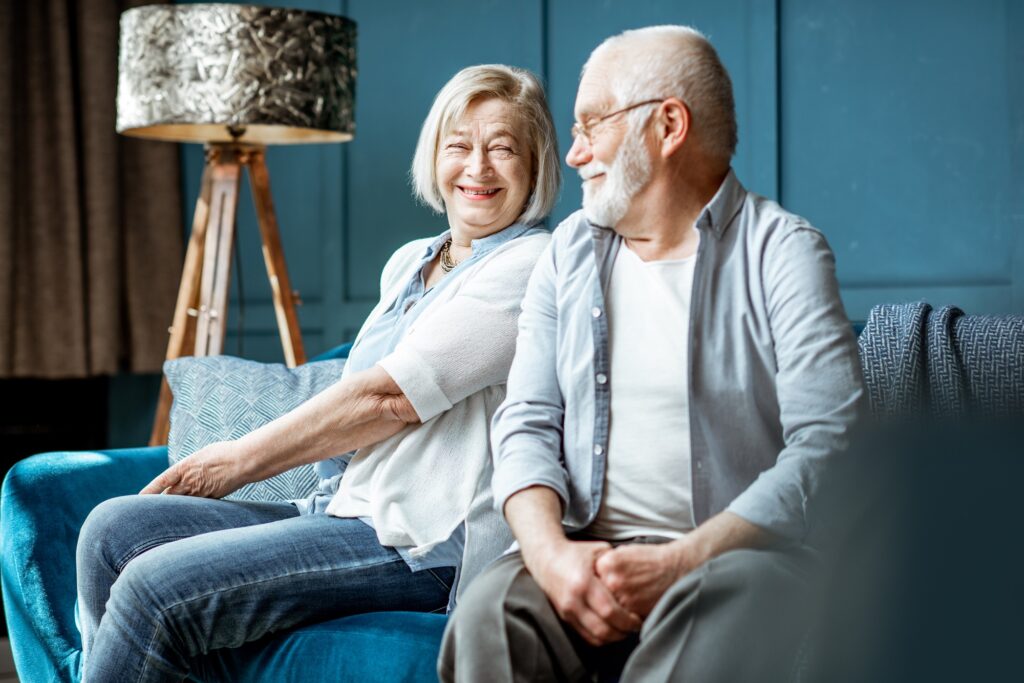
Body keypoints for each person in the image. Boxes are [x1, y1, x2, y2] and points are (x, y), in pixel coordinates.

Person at [76, 63, 561, 682]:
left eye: (503, 149)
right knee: (109, 531)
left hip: (421, 543)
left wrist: (232, 463)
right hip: (345, 509)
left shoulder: (530, 266)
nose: (478, 168)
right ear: (434, 155)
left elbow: (386, 399)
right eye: (459, 145)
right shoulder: (413, 262)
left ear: (537, 164)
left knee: (152, 588)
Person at [440, 26, 866, 682]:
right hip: (583, 551)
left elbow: (826, 448)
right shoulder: (568, 252)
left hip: (736, 562)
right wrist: (552, 558)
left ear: (668, 125)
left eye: (591, 124)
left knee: (713, 611)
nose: (575, 152)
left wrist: (677, 562)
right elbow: (525, 425)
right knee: (489, 613)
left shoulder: (784, 251)